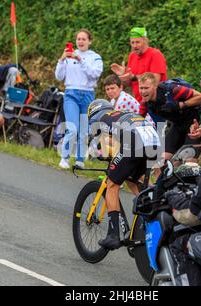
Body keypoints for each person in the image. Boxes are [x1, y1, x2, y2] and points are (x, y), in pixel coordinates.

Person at [88, 99, 161, 250]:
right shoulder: (121, 114)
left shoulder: (101, 119)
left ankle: (113, 235)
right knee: (132, 178)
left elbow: (103, 145)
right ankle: (149, 213)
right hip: (154, 141)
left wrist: (98, 153)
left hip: (135, 142)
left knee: (112, 184)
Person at [55, 29, 103, 169]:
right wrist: (62, 59)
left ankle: (80, 160)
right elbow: (59, 76)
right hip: (71, 93)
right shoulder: (69, 57)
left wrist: (80, 60)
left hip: (87, 94)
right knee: (72, 127)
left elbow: (95, 74)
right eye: (78, 39)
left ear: (89, 41)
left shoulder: (95, 57)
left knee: (84, 129)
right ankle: (64, 157)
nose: (80, 41)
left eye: (83, 39)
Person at [138, 72, 201, 164]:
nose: (143, 91)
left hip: (193, 123)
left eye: (146, 88)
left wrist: (181, 105)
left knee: (189, 162)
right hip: (177, 125)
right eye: (141, 88)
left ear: (155, 86)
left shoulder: (173, 90)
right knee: (163, 160)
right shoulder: (145, 103)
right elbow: (138, 121)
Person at [110, 27, 167, 123]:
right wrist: (123, 75)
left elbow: (155, 80)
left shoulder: (155, 54)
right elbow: (129, 83)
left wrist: (133, 77)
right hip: (139, 105)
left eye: (137, 42)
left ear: (145, 41)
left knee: (158, 135)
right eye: (132, 43)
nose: (134, 46)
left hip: (156, 104)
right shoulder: (132, 56)